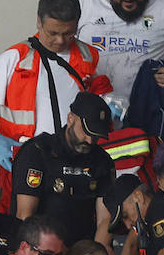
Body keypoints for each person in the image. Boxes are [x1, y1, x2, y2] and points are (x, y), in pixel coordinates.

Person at [0, 0, 105, 208]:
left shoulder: (89, 56)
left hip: (71, 160)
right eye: (53, 33)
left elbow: (97, 96)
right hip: (23, 158)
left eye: (68, 33)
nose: (60, 40)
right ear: (39, 23)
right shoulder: (16, 57)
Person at [11, 90, 114, 246]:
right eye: (86, 131)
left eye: (96, 135)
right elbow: (25, 217)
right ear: (71, 118)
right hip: (43, 249)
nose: (90, 140)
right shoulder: (38, 152)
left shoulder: (102, 161)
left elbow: (105, 220)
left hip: (82, 250)